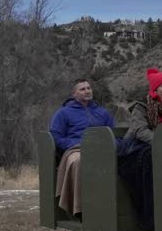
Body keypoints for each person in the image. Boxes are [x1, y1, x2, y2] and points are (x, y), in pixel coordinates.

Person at [117, 68, 162, 230]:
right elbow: (140, 131)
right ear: (155, 89)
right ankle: (149, 218)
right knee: (149, 160)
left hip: (160, 148)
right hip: (134, 150)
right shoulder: (142, 107)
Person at [49, 78, 116, 215]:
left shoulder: (102, 113)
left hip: (101, 149)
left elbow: (114, 134)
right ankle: (79, 209)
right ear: (74, 94)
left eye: (89, 88)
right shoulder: (63, 113)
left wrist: (113, 145)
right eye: (82, 89)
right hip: (75, 150)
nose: (87, 91)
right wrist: (76, 144)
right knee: (79, 161)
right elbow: (56, 137)